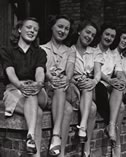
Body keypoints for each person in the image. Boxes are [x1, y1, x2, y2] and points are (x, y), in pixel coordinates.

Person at [0, 17, 47, 156]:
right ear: (20, 29)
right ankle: (35, 152)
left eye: (35, 30)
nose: (32, 31)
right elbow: (10, 72)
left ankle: (30, 135)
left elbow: (39, 71)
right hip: (14, 89)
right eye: (29, 27)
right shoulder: (7, 51)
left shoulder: (40, 52)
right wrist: (20, 85)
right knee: (37, 113)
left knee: (31, 89)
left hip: (37, 91)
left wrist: (38, 84)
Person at [40, 15, 75, 157]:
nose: (63, 31)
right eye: (60, 26)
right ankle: (61, 150)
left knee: (61, 87)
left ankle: (56, 140)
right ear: (52, 27)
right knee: (67, 110)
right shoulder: (42, 48)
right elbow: (42, 68)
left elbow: (70, 69)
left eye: (66, 29)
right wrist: (51, 78)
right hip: (47, 90)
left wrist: (66, 78)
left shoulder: (70, 50)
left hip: (63, 89)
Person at [68, 20, 102, 157]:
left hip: (90, 87)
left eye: (93, 35)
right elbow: (66, 72)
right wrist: (74, 80)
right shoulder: (69, 50)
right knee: (92, 109)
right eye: (87, 32)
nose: (89, 36)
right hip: (74, 88)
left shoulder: (95, 52)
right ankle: (86, 151)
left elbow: (98, 73)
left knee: (87, 84)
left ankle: (82, 126)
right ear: (79, 31)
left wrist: (93, 81)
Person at [94, 24, 126, 148]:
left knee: (119, 89)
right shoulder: (93, 50)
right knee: (121, 107)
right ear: (101, 34)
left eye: (112, 36)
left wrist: (122, 80)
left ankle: (111, 128)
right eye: (107, 34)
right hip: (97, 85)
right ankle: (115, 142)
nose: (109, 38)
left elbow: (119, 71)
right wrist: (110, 79)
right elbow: (95, 71)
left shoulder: (113, 54)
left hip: (109, 86)